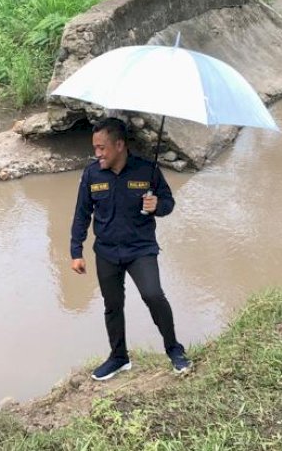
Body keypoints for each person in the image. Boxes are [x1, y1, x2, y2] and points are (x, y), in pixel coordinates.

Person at [70, 117, 192, 381]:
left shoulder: (147, 171)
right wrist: (76, 251)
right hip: (106, 252)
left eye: (102, 147)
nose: (97, 153)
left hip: (141, 249)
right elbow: (82, 214)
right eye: (95, 147)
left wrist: (156, 205)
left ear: (120, 145)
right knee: (112, 305)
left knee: (153, 294)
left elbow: (169, 204)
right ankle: (118, 357)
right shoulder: (92, 174)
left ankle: (174, 350)